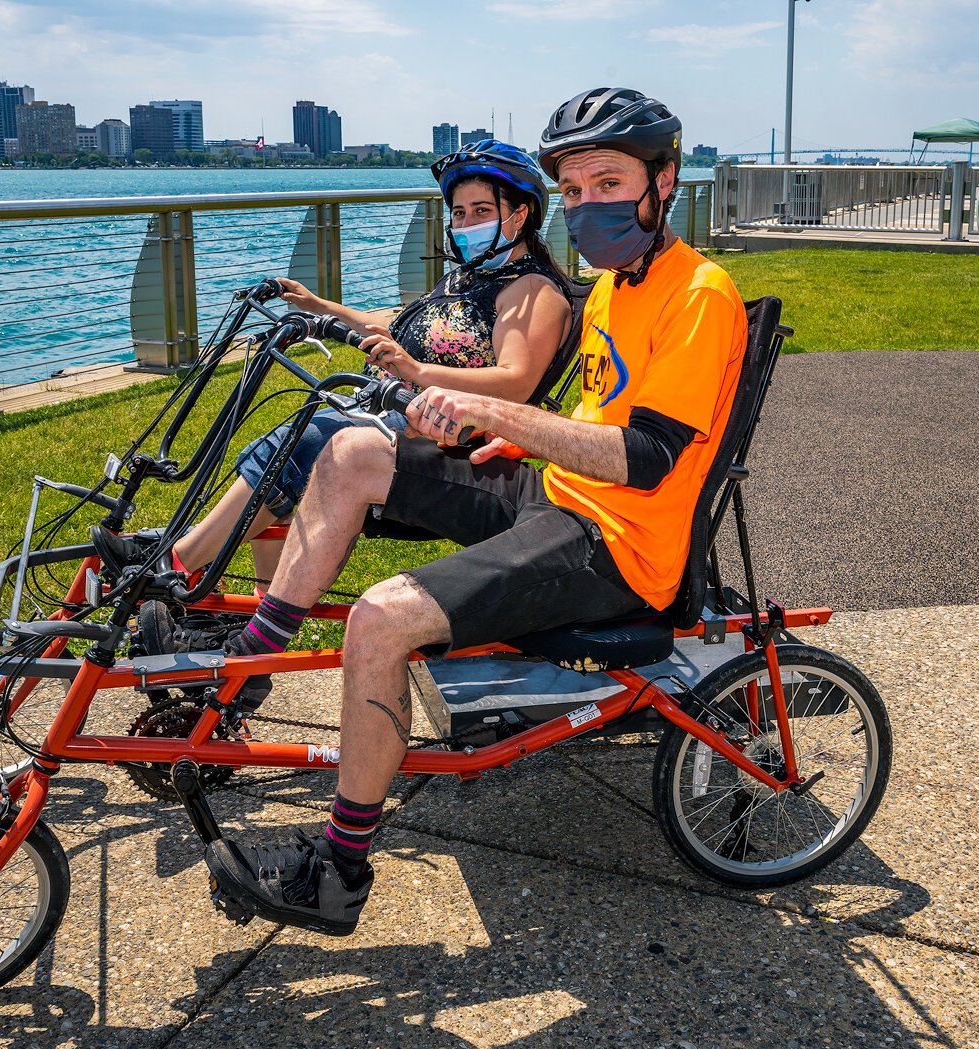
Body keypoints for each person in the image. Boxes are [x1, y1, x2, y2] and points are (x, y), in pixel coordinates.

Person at [199, 88, 750, 937]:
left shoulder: (698, 295)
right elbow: (590, 427)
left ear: (665, 180)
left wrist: (498, 415)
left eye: (608, 183)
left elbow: (646, 460)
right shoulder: (611, 289)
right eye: (573, 190)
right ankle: (246, 658)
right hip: (554, 494)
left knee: (381, 622)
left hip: (618, 545)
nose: (587, 205)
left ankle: (336, 875)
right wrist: (511, 443)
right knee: (348, 449)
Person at [160, 141, 573, 594]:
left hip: (450, 437)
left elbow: (515, 382)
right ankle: (255, 621)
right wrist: (319, 306)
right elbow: (398, 327)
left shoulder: (532, 290)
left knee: (315, 437)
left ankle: (179, 560)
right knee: (294, 441)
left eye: (480, 211)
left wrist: (417, 371)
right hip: (394, 414)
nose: (466, 224)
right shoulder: (469, 277)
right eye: (458, 214)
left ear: (520, 215)